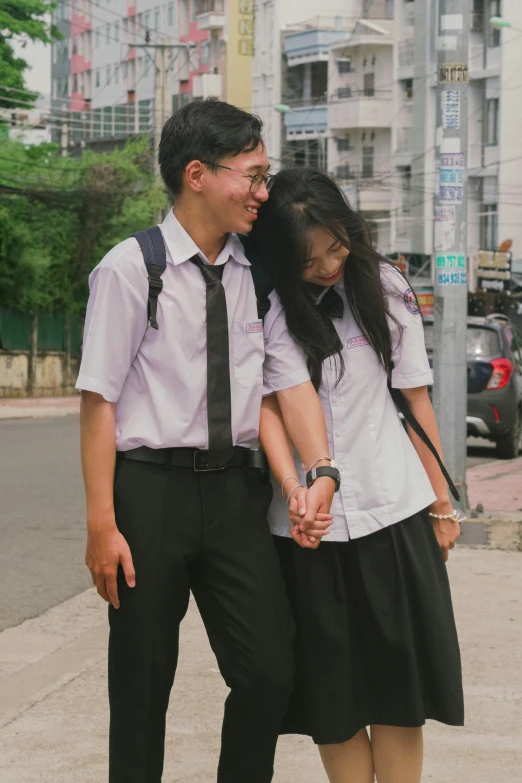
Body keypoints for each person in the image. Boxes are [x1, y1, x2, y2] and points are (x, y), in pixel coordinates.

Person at [76, 103, 339, 783]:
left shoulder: (259, 277)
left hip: (232, 493)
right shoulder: (132, 269)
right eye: (251, 176)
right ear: (198, 174)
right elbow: (98, 402)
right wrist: (102, 523)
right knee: (140, 686)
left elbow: (287, 384)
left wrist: (320, 470)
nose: (262, 192)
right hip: (148, 494)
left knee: (269, 670)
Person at [252, 168, 464, 783]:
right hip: (306, 530)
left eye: (337, 247)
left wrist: (441, 506)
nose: (327, 267)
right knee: (333, 700)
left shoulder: (388, 287)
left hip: (392, 512)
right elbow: (275, 403)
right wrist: (298, 487)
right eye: (309, 259)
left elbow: (416, 402)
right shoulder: (268, 306)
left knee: (400, 695)